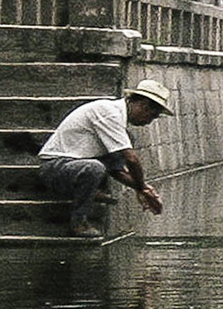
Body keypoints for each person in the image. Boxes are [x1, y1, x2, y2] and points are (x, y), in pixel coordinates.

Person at [37, 79, 172, 237]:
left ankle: (89, 190)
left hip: (76, 165)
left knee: (116, 150)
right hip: (55, 168)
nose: (149, 122)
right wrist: (142, 187)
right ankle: (79, 222)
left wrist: (144, 188)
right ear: (143, 105)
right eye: (152, 116)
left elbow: (117, 170)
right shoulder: (108, 113)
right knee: (94, 168)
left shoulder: (118, 122)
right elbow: (131, 159)